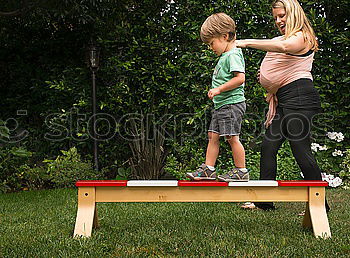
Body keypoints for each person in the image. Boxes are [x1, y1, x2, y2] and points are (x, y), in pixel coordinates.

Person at [236, 0, 329, 211]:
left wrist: (245, 42)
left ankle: (320, 205)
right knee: (268, 146)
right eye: (276, 17)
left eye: (282, 16)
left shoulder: (303, 36)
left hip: (300, 98)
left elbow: (285, 47)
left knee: (300, 150)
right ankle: (264, 201)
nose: (279, 21)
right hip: (285, 98)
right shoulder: (288, 36)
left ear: (294, 13)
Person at [186, 13, 249, 182]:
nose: (210, 47)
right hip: (222, 105)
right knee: (213, 135)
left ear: (224, 36)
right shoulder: (225, 56)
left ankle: (241, 170)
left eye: (211, 43)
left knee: (231, 137)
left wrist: (219, 89)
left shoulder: (233, 55)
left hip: (231, 104)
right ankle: (209, 169)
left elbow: (240, 78)